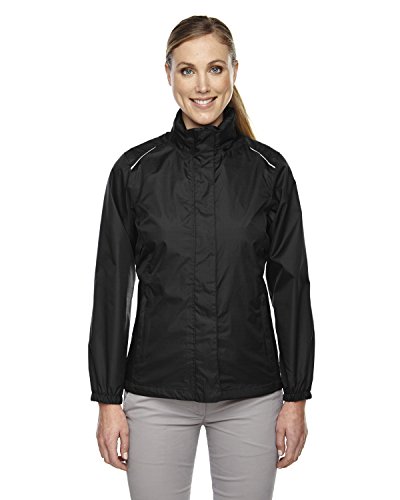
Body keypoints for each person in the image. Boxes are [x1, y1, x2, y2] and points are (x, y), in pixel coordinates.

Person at [88, 15, 315, 500]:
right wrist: (107, 399)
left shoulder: (269, 172)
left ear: (234, 70)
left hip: (251, 393)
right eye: (187, 70)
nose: (203, 85)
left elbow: (292, 287)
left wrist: (297, 396)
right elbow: (111, 288)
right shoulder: (135, 172)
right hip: (156, 391)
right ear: (168, 74)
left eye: (215, 68)